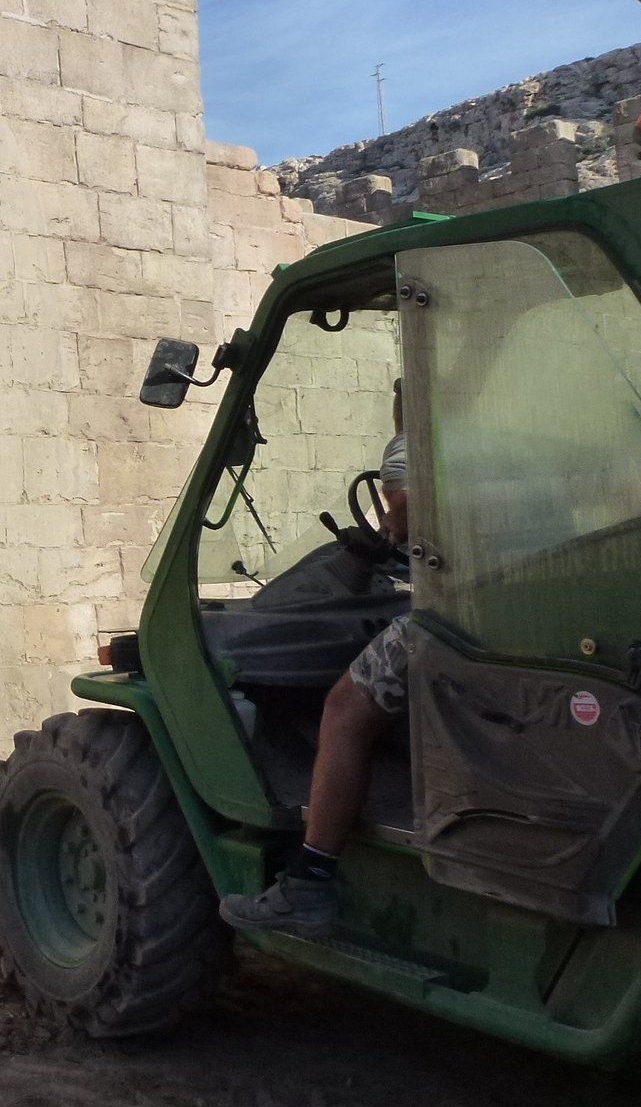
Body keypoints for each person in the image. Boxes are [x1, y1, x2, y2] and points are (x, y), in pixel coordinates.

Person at [217, 388, 411, 939]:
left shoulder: (419, 449)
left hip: (458, 620)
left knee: (345, 707)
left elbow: (405, 508)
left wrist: (396, 523)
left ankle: (310, 882)